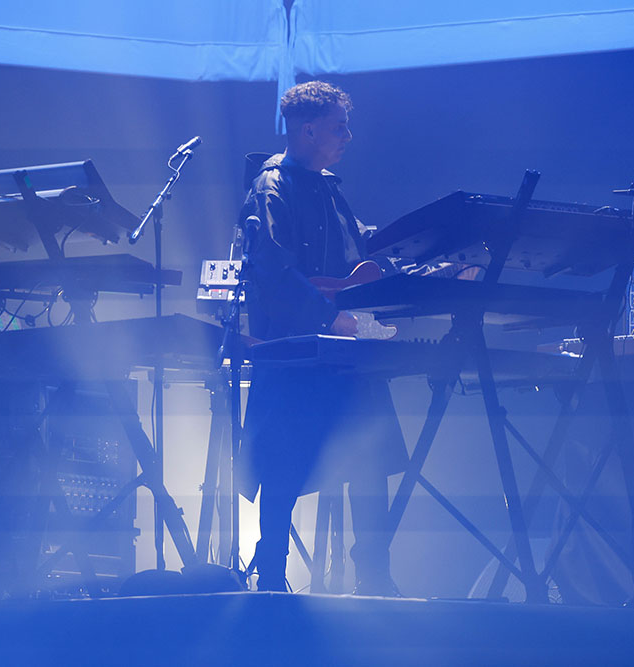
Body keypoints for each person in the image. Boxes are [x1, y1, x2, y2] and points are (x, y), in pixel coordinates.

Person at [236, 81, 408, 595]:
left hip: (339, 354)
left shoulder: (329, 189)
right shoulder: (271, 187)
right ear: (308, 130)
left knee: (368, 455)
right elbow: (272, 266)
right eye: (339, 127)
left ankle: (374, 574)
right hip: (295, 353)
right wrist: (326, 317)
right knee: (283, 464)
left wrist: (426, 263)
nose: (348, 136)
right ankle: (271, 574)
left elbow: (358, 256)